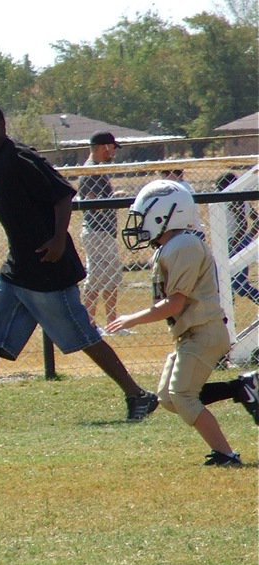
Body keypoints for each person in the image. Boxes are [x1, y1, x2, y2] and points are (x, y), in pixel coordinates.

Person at [0, 103, 158, 429]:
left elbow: (63, 194)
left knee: (83, 336)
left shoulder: (21, 157)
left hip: (47, 265)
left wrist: (60, 238)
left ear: (2, 125)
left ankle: (138, 394)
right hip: (16, 267)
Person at [108, 180, 257, 466]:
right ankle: (242, 388)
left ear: (164, 215)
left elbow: (175, 304)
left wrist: (132, 318)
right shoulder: (172, 246)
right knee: (168, 398)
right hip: (192, 334)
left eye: (144, 218)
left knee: (182, 395)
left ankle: (227, 455)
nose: (138, 226)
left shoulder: (184, 245)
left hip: (204, 332)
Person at [77, 131, 129, 332]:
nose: (114, 151)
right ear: (103, 147)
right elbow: (92, 203)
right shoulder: (91, 171)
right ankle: (89, 324)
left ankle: (111, 323)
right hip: (97, 231)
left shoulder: (99, 170)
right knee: (96, 278)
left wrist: (113, 196)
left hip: (104, 232)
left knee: (110, 277)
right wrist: (113, 199)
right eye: (112, 147)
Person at [215, 172, 259, 304]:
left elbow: (242, 223)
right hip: (238, 241)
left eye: (219, 188)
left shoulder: (232, 199)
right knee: (227, 282)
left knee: (237, 285)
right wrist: (248, 237)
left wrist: (236, 242)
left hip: (233, 241)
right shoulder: (242, 199)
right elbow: (256, 220)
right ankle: (228, 312)